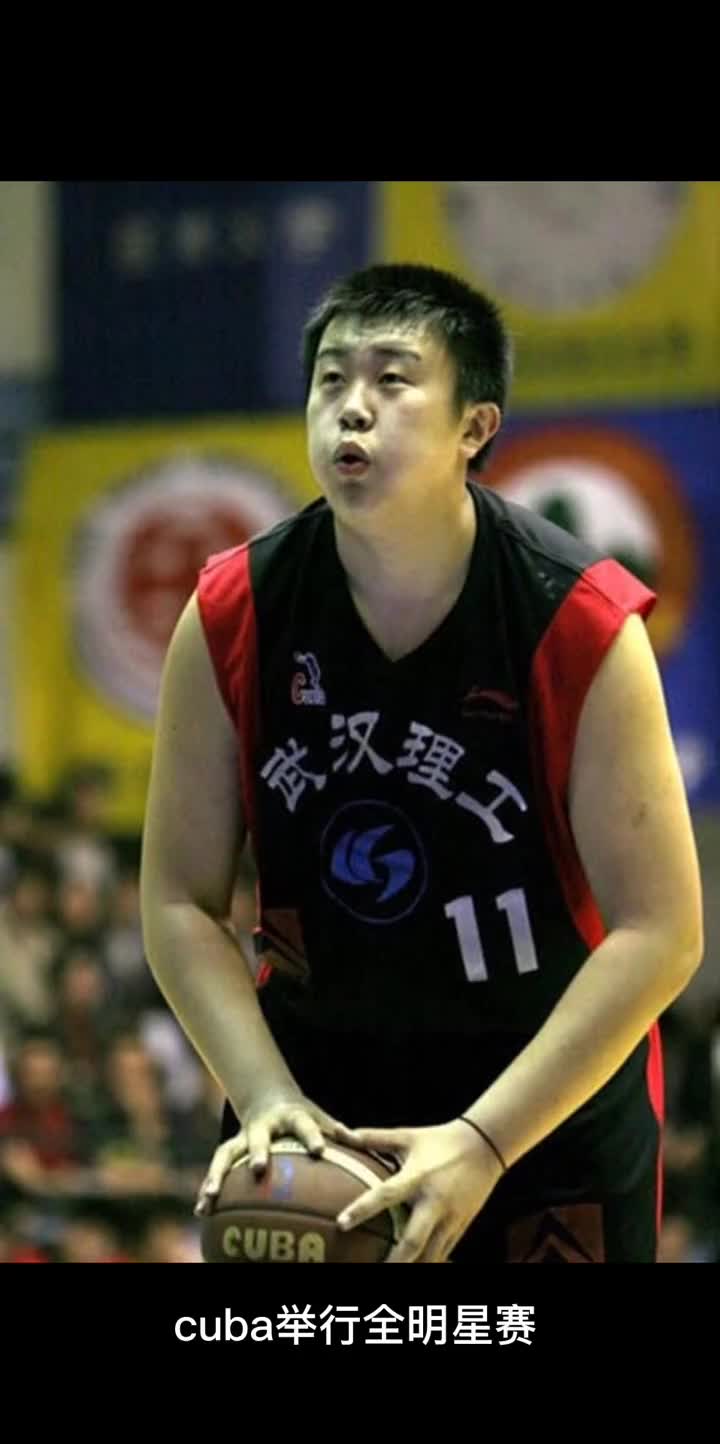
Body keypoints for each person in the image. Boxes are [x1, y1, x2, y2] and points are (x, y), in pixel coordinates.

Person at [139, 263, 703, 1263]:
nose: (351, 406)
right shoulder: (233, 610)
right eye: (330, 379)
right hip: (319, 1107)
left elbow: (661, 932)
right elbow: (180, 899)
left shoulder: (577, 620)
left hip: (543, 1112)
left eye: (392, 379)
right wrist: (261, 1093)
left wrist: (485, 1141)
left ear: (474, 426)